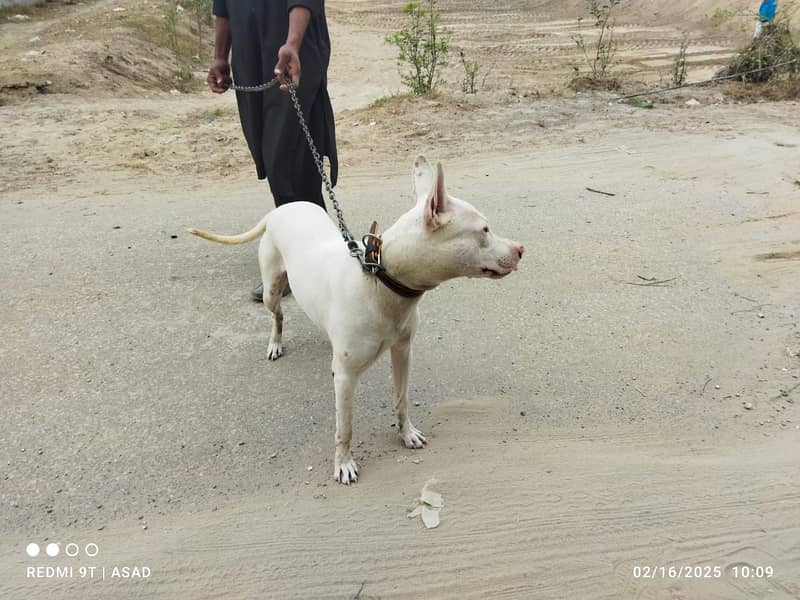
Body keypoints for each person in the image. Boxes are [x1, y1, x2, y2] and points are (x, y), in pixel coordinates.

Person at [207, 0, 338, 301]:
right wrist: (219, 57)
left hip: (294, 59)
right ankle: (316, 245)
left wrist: (292, 43)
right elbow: (224, 8)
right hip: (251, 62)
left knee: (285, 159)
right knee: (272, 153)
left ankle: (300, 262)